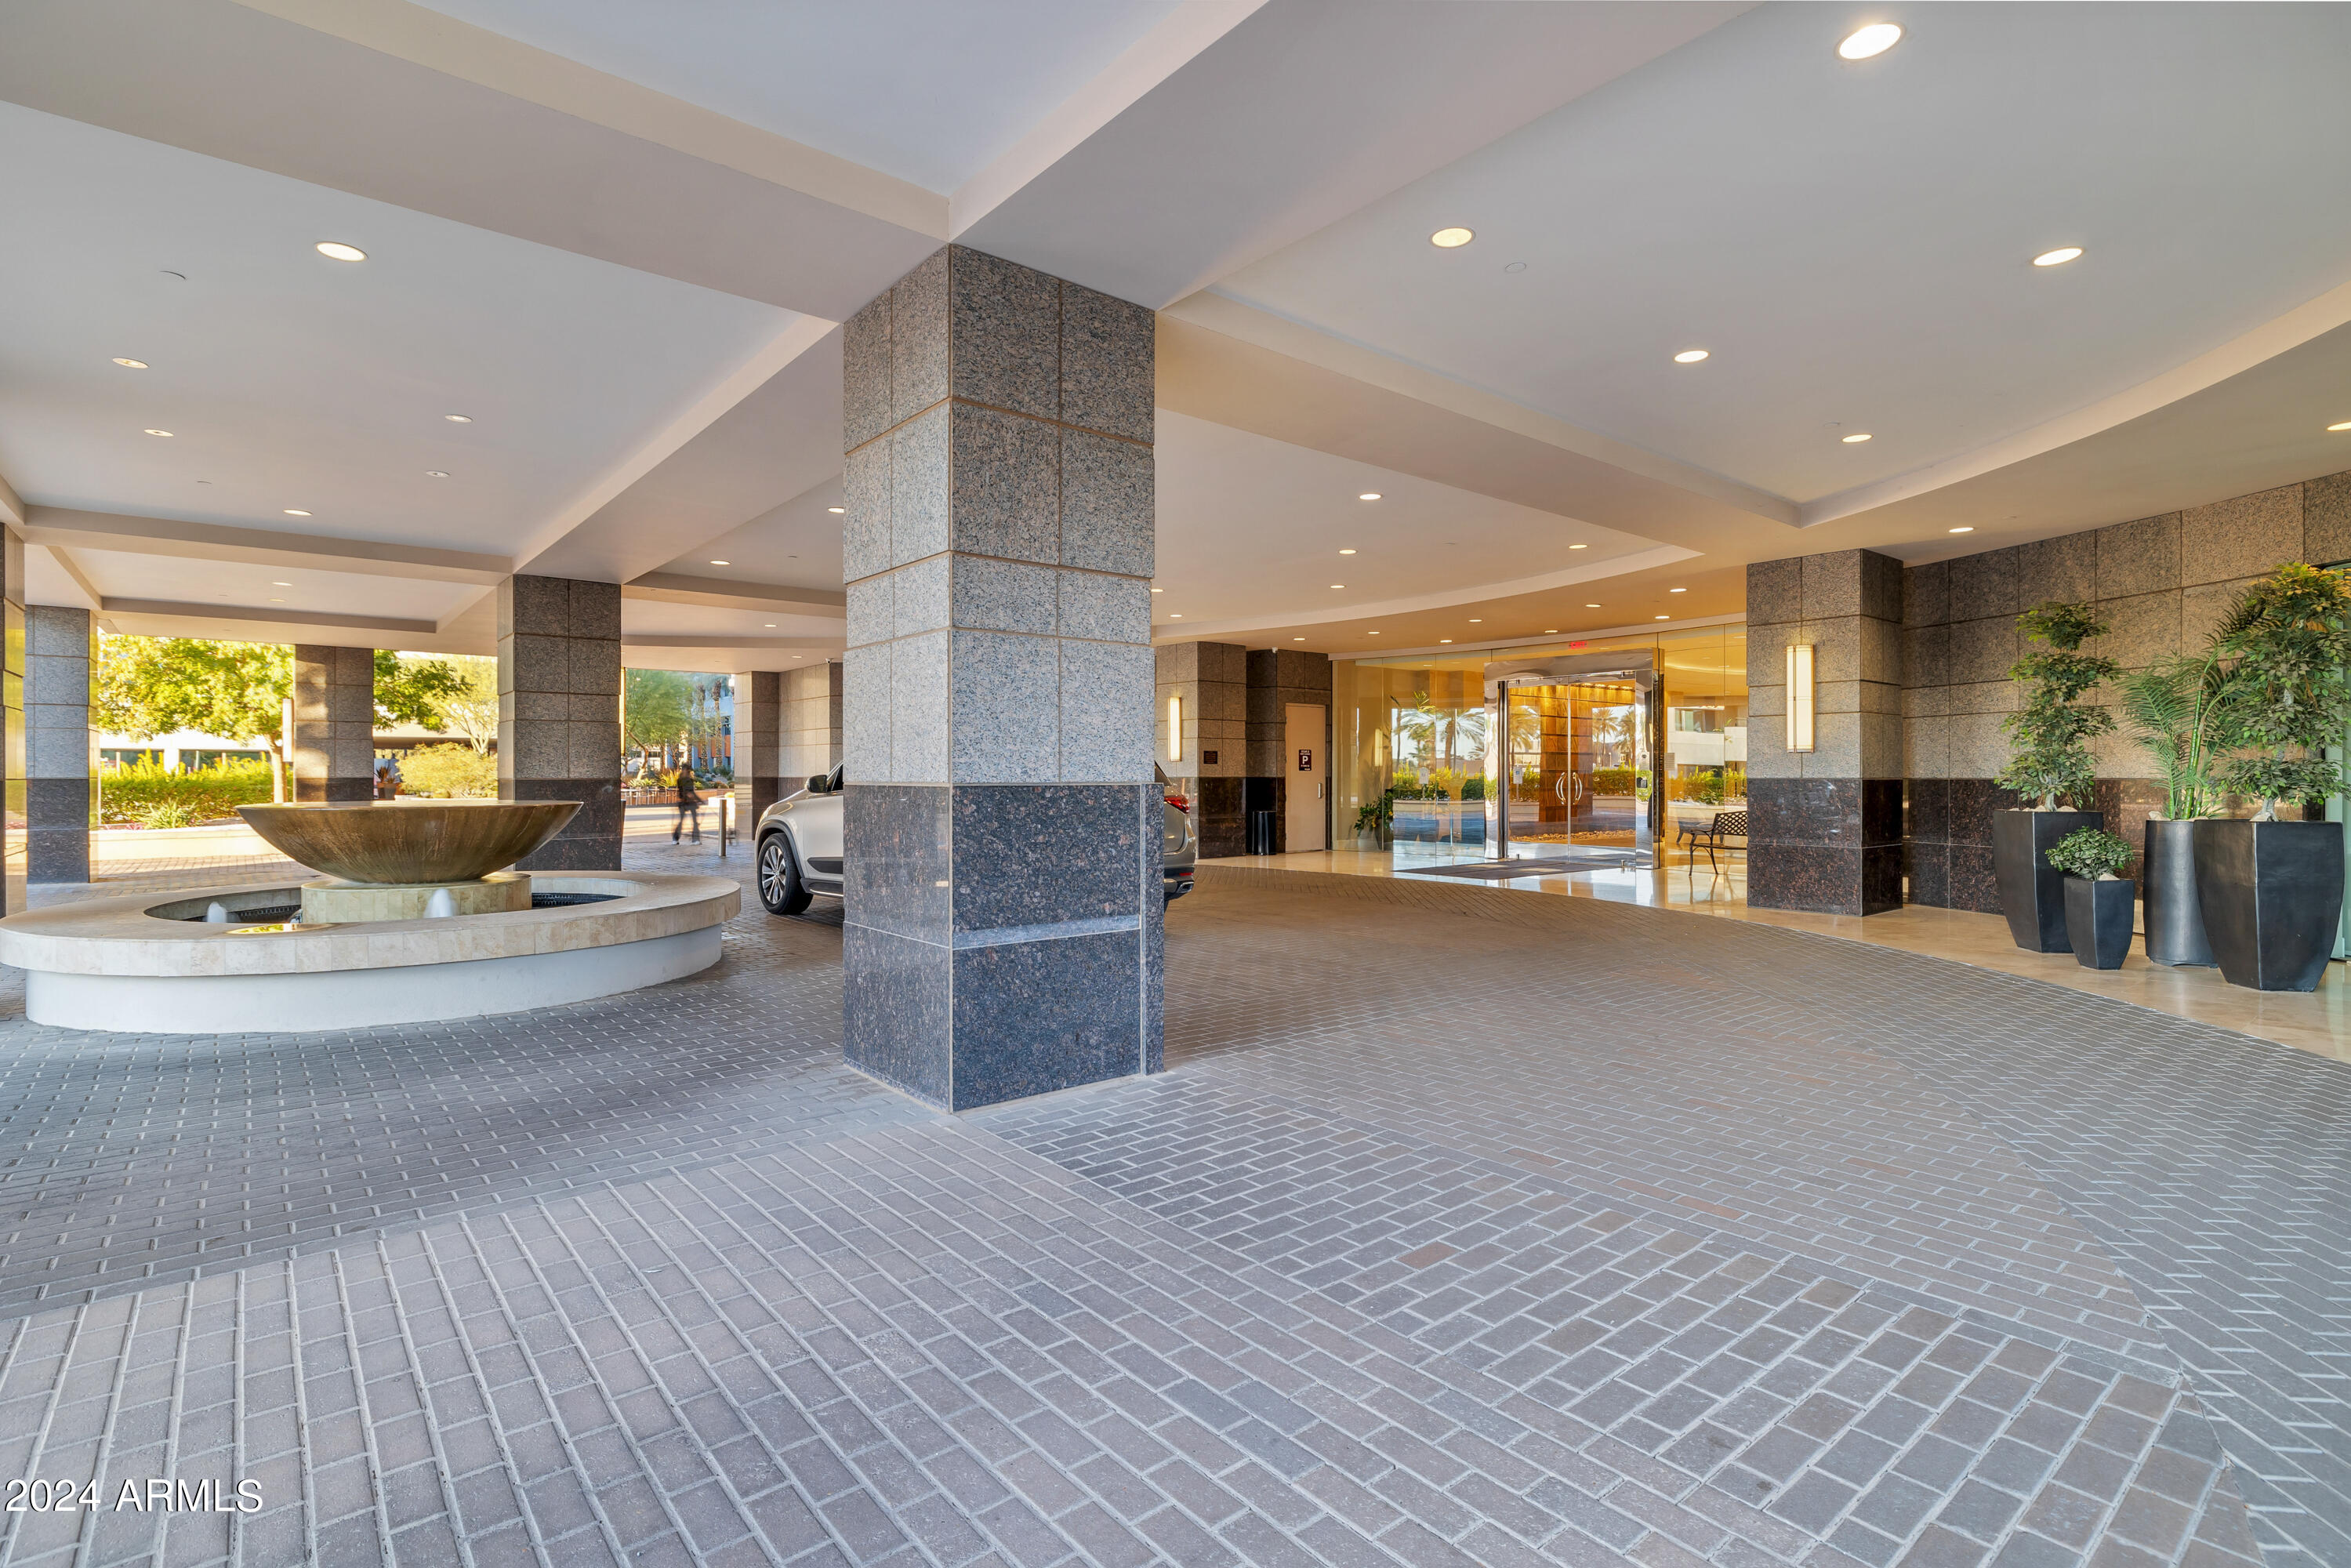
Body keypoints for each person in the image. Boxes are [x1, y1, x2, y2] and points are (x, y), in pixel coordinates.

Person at [673, 767, 703, 844]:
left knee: (692, 821)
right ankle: (677, 838)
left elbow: (691, 792)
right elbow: (685, 791)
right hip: (686, 802)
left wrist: (700, 800)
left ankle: (694, 839)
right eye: (688, 771)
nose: (689, 772)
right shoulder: (682, 780)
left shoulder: (686, 780)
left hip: (688, 803)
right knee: (685, 821)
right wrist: (689, 796)